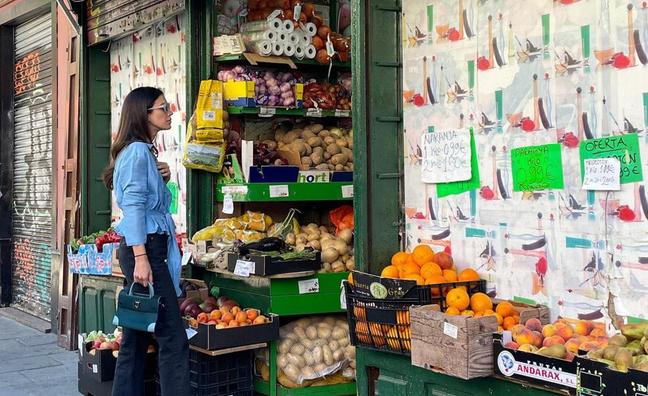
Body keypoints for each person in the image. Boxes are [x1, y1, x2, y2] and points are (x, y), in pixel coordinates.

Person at [102, 87, 190, 396]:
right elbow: (135, 206)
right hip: (147, 249)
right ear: (144, 114)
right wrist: (142, 258)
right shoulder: (138, 152)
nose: (169, 113)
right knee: (173, 339)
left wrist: (160, 177)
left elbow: (144, 198)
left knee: (135, 336)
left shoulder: (141, 152)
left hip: (143, 247)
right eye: (163, 108)